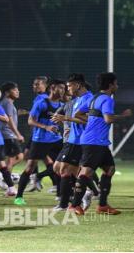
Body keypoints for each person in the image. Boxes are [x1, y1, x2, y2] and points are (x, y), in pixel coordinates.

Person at [69, 72, 132, 215]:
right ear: (110, 85)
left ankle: (102, 205)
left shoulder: (94, 98)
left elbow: (77, 114)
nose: (117, 86)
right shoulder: (107, 100)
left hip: (98, 141)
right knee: (86, 172)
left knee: (110, 169)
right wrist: (124, 116)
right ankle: (74, 205)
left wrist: (92, 122)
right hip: (94, 141)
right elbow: (108, 119)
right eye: (116, 83)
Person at [14, 79, 66, 206]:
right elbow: (30, 121)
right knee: (30, 167)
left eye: (64, 88)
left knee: (61, 166)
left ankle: (60, 195)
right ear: (52, 87)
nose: (63, 91)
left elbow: (61, 121)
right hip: (40, 140)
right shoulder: (42, 103)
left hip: (56, 139)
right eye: (60, 88)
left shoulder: (61, 105)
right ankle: (19, 196)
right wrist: (46, 127)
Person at [51, 74, 94, 211]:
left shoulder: (89, 99)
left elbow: (88, 120)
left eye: (69, 85)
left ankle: (64, 204)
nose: (67, 88)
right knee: (58, 168)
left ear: (78, 85)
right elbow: (74, 119)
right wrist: (65, 122)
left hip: (79, 140)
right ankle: (86, 191)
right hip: (72, 139)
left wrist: (66, 118)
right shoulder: (77, 100)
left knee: (63, 169)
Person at [0, 82, 25, 173]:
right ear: (7, 93)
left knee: (13, 157)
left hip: (6, 134)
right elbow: (9, 120)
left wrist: (17, 113)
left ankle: (3, 175)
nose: (17, 91)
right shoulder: (8, 103)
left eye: (17, 89)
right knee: (18, 157)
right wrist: (18, 134)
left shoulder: (5, 102)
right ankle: (5, 180)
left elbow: (7, 116)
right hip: (8, 133)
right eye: (14, 90)